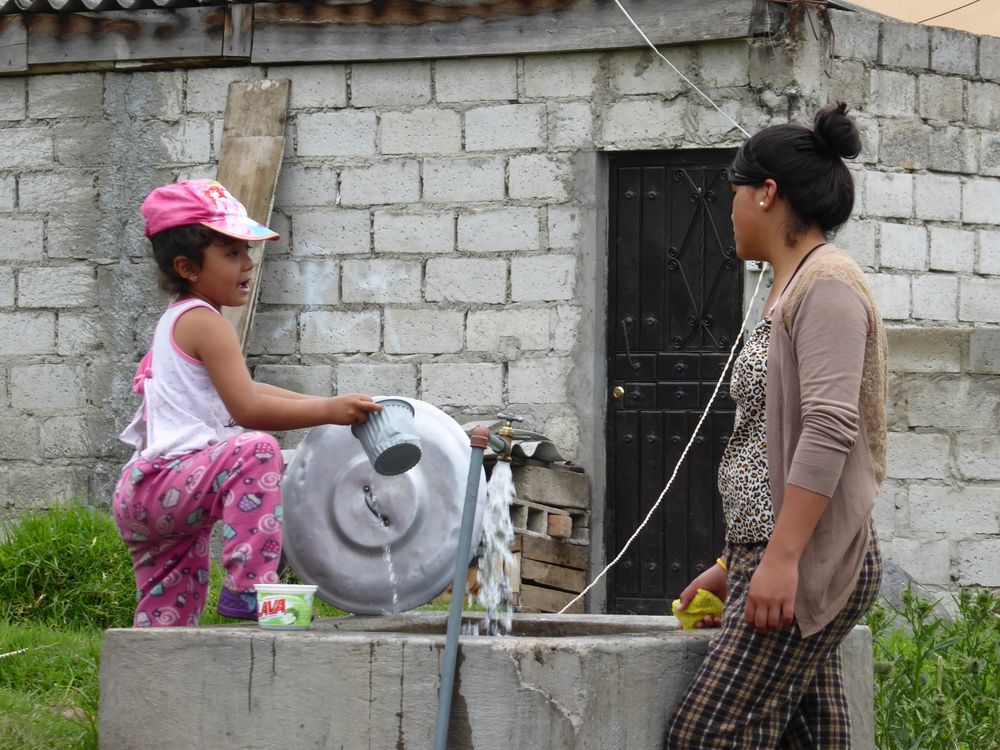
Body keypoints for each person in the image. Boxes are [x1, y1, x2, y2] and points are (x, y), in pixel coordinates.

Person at [664, 103, 887, 747]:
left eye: (732, 194)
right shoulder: (789, 288)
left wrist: (783, 559)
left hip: (808, 556)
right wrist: (734, 564)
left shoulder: (828, 285)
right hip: (774, 553)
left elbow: (826, 427)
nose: (727, 211)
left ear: (767, 194)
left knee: (705, 734)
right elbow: (771, 448)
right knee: (804, 737)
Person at [112, 179, 381, 627]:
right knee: (254, 450)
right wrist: (330, 412)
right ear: (188, 267)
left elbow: (252, 389)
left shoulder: (182, 318)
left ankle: (153, 681)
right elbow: (248, 410)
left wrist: (330, 405)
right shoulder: (205, 322)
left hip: (150, 494)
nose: (248, 264)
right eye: (232, 253)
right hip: (168, 481)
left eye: (246, 252)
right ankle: (247, 588)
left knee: (170, 617)